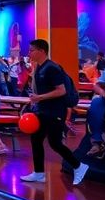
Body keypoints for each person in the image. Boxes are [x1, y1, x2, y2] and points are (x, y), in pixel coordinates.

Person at [21, 39, 89, 184]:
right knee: (36, 139)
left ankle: (79, 166)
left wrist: (39, 97)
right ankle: (39, 173)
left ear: (42, 51)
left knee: (55, 143)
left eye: (32, 50)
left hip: (55, 112)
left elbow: (61, 90)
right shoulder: (39, 68)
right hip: (43, 111)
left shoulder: (52, 68)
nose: (29, 53)